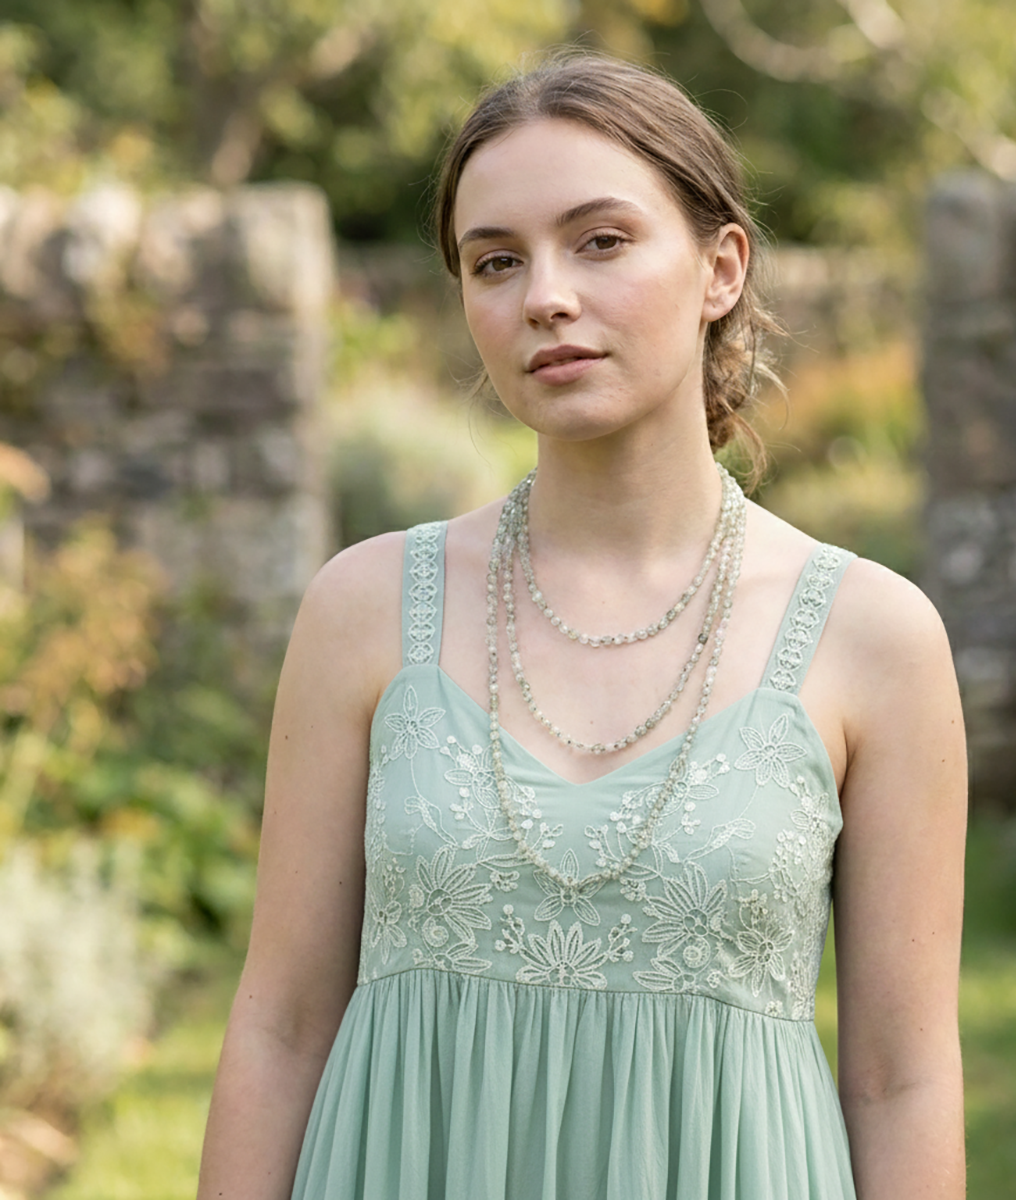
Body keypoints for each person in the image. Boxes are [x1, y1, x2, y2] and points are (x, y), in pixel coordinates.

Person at [197, 51, 967, 1200]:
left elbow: (901, 1078)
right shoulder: (362, 612)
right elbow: (281, 1024)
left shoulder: (875, 637)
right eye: (494, 260)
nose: (543, 295)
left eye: (600, 241)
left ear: (721, 267)